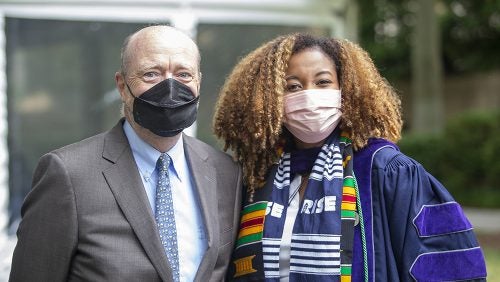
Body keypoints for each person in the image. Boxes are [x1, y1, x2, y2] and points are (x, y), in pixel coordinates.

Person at [213, 33, 487, 281]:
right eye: (293, 86)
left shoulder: (383, 170)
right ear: (270, 99)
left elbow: (449, 267)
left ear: (347, 90)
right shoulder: (258, 178)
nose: (309, 96)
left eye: (323, 82)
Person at [10, 25, 242, 282]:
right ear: (122, 86)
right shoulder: (68, 174)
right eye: (151, 74)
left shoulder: (226, 173)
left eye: (183, 74)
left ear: (198, 82)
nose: (170, 87)